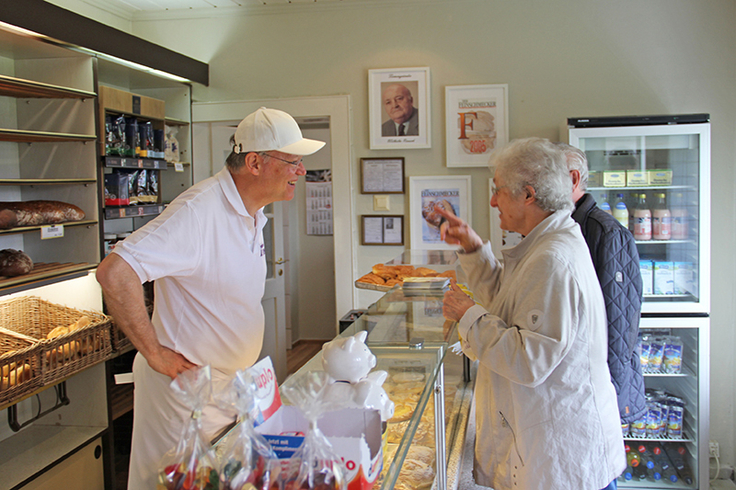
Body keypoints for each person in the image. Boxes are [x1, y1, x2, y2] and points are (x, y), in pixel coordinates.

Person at [96, 107, 325, 490]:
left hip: (225, 389)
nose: (301, 172)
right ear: (254, 162)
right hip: (185, 395)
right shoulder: (197, 212)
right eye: (293, 162)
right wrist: (154, 353)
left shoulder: (254, 214)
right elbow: (115, 272)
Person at [438, 137, 625, 490]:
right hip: (550, 443)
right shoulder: (544, 244)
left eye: (498, 191)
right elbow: (508, 305)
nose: (493, 201)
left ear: (527, 194)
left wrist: (467, 315)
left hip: (562, 457)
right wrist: (473, 248)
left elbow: (529, 360)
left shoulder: (552, 258)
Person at [558, 142, 647, 427]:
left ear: (572, 178)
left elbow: (620, 324)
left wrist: (608, 394)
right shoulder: (562, 226)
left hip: (596, 391)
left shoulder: (605, 232)